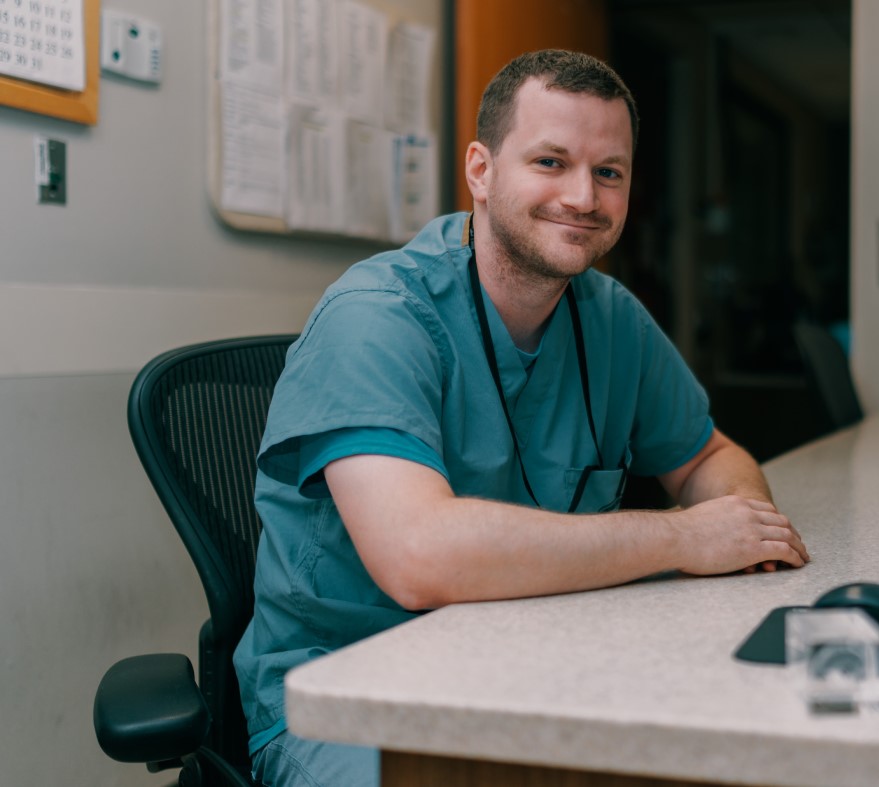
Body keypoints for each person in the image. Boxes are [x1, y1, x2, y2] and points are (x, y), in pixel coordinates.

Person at [233, 49, 811, 787]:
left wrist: (744, 522)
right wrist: (684, 535)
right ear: (480, 169)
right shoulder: (378, 318)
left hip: (534, 665)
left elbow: (706, 457)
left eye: (610, 172)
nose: (583, 196)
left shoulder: (610, 319)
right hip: (354, 701)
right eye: (550, 160)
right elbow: (420, 557)